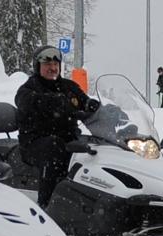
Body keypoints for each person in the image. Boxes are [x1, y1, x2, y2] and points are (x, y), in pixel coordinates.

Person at [15, 45, 100, 208]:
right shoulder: (28, 89)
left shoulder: (69, 87)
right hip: (35, 143)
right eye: (47, 64)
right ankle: (45, 205)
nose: (53, 68)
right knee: (54, 147)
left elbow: (83, 100)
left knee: (94, 149)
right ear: (37, 66)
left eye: (56, 64)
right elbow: (25, 102)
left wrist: (93, 106)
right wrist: (55, 104)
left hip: (67, 140)